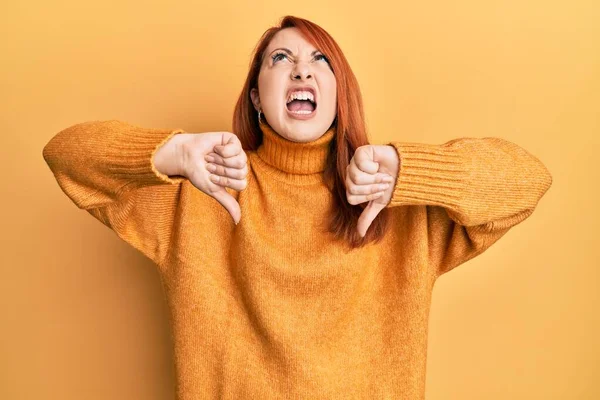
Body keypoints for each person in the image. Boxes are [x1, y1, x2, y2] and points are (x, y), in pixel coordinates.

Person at [42, 15, 553, 400]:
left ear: (338, 93)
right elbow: (65, 155)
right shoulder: (205, 194)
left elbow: (529, 180)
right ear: (258, 98)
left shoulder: (394, 204)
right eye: (280, 59)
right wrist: (171, 153)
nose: (301, 72)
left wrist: (409, 172)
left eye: (320, 62)